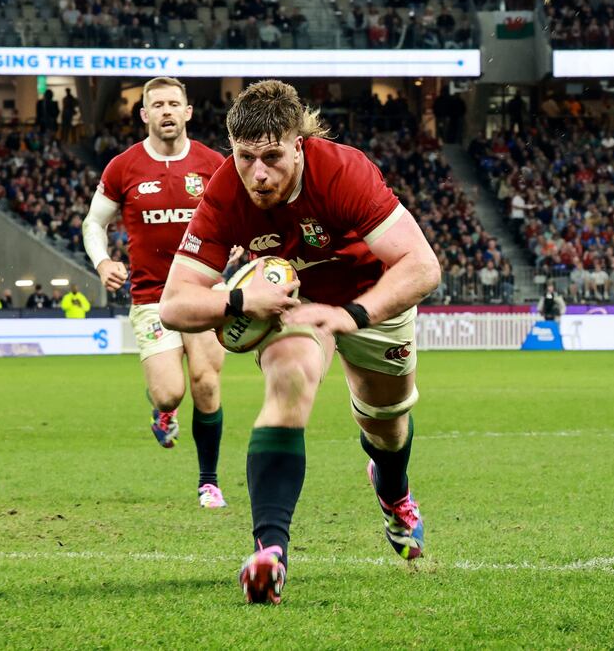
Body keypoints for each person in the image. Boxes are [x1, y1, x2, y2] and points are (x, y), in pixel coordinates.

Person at [159, 80, 441, 604]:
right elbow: (174, 305)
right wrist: (240, 302)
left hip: (369, 298)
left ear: (298, 145)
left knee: (387, 426)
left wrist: (354, 315)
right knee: (290, 379)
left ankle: (392, 488)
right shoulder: (225, 190)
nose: (258, 173)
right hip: (292, 303)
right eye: (245, 158)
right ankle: (271, 554)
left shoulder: (342, 171)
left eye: (271, 157)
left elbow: (422, 266)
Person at [82, 76, 229, 508]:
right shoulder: (123, 167)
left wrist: (240, 240)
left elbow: (241, 213)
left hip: (205, 290)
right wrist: (104, 262)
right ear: (144, 115)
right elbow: (94, 223)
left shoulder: (213, 164)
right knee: (171, 391)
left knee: (206, 382)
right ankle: (163, 411)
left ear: (187, 112)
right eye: (157, 105)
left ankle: (209, 481)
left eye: (174, 104)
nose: (166, 111)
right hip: (152, 298)